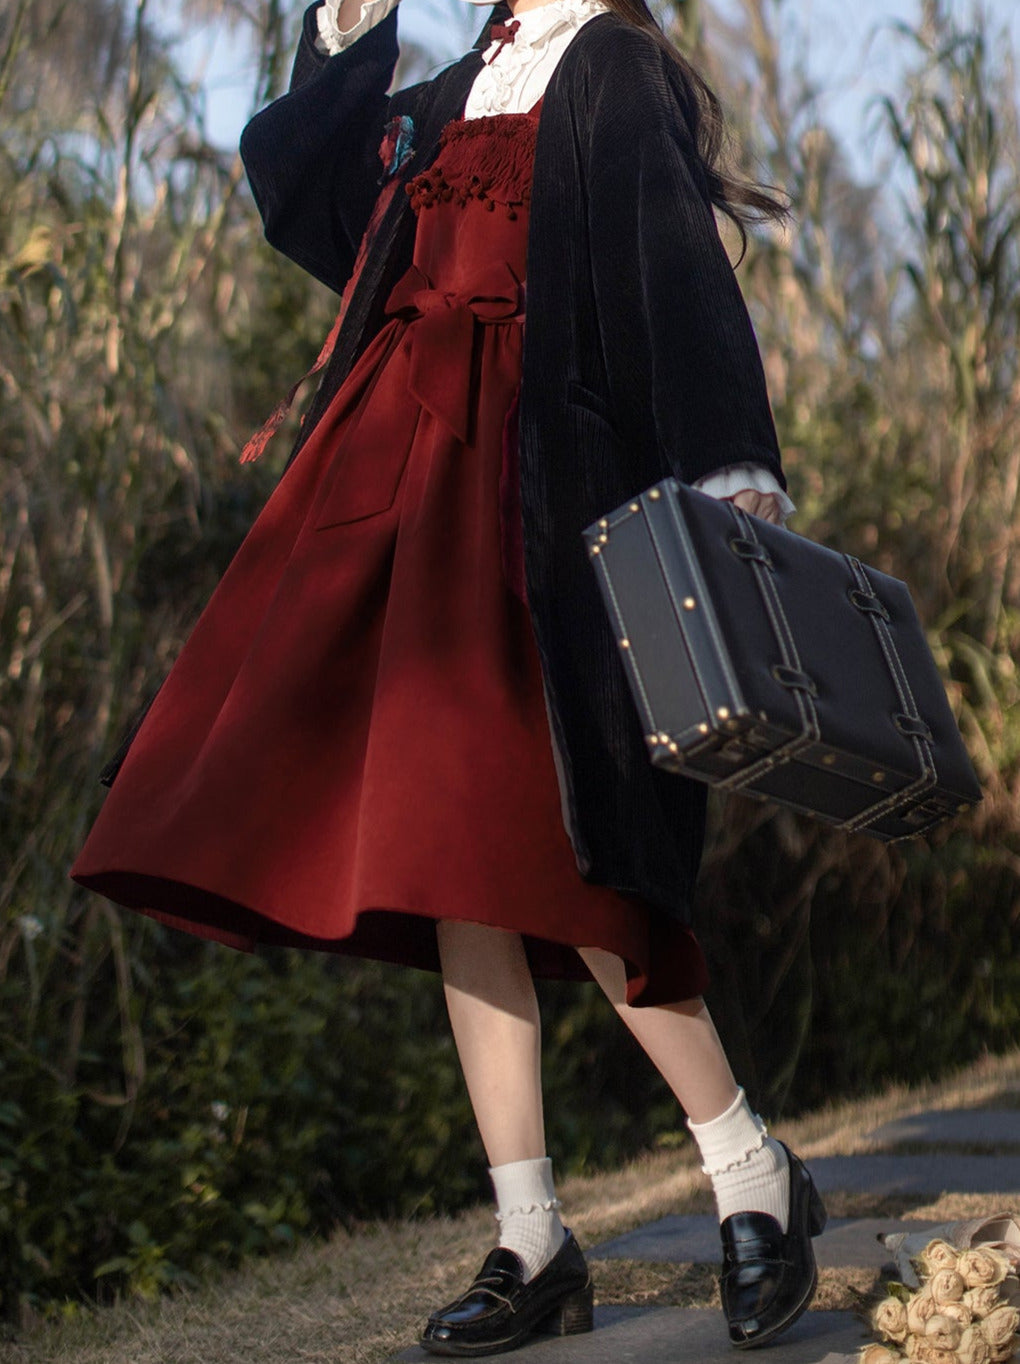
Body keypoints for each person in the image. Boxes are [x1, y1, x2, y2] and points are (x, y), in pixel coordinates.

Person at [70, 0, 827, 1353]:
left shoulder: (610, 70)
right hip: (404, 504)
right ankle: (530, 1234)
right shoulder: (451, 87)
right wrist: (342, 34)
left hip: (546, 511)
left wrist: (734, 469)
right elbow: (308, 201)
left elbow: (677, 279)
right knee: (448, 858)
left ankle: (746, 1169)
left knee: (578, 859)